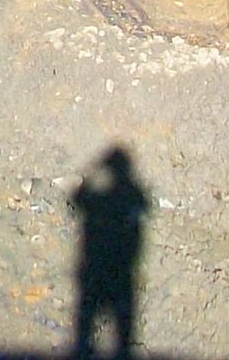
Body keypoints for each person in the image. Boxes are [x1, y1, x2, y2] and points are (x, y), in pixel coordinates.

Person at [70, 145, 149, 358]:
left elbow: (76, 198)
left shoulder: (99, 198)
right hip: (122, 268)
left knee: (86, 323)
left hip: (95, 265)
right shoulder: (132, 193)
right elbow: (144, 207)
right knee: (123, 331)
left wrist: (92, 171)